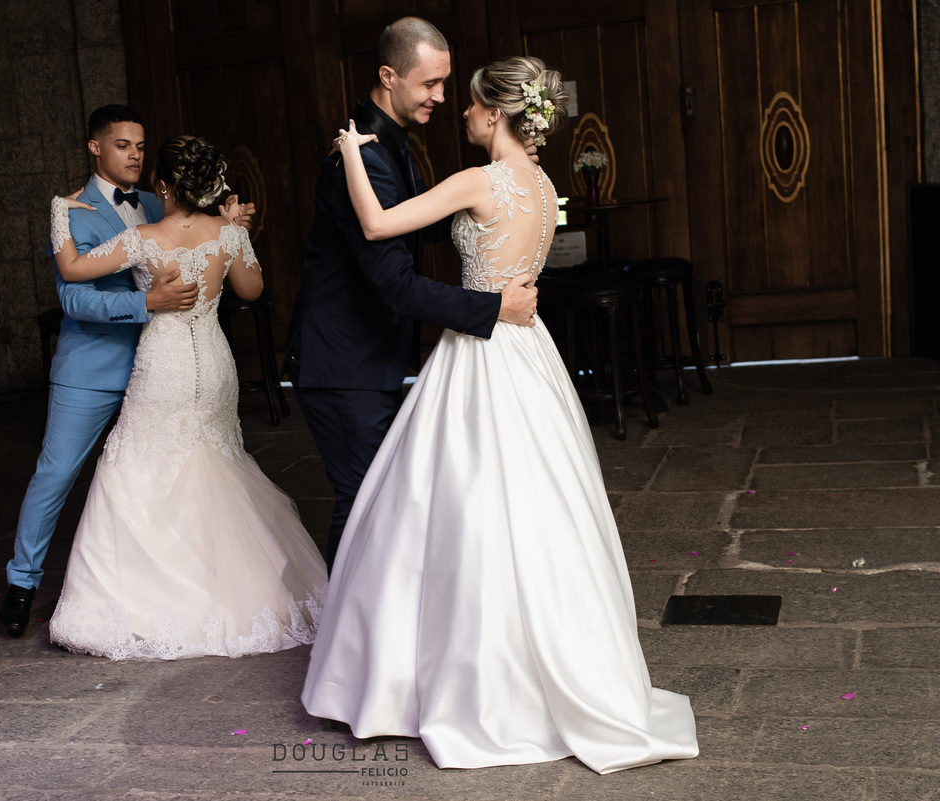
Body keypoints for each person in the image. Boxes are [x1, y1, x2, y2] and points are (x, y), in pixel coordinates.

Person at [301, 57, 700, 773]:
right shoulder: (544, 187)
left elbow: (377, 222)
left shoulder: (480, 181)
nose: (459, 111)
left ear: (493, 112)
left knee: (460, 502)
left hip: (479, 353)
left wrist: (351, 152)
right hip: (527, 349)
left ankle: (461, 677)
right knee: (536, 501)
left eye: (469, 103)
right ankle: (546, 665)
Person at [42, 135, 327, 660]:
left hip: (165, 364)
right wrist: (237, 235)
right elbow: (251, 290)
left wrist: (59, 210)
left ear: (164, 187)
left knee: (137, 465)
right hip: (215, 363)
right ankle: (234, 595)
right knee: (215, 462)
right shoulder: (227, 233)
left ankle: (160, 598)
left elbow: (73, 269)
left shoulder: (143, 237)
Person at [285, 17, 539, 572]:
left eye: (445, 83)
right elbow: (393, 282)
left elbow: (421, 223)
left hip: (371, 356)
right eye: (430, 84)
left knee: (383, 503)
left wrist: (503, 189)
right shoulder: (363, 154)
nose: (442, 97)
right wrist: (493, 307)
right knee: (364, 506)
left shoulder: (393, 143)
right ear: (388, 76)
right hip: (343, 361)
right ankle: (343, 625)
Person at [0, 105, 252, 637]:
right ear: (95, 147)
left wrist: (231, 226)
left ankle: (169, 590)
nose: (134, 155)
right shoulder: (76, 210)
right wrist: (145, 304)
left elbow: (203, 240)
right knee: (57, 472)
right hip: (93, 364)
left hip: (162, 371)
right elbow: (73, 297)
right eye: (122, 145)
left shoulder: (164, 200)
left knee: (171, 476)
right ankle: (22, 583)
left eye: (140, 146)